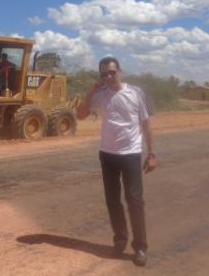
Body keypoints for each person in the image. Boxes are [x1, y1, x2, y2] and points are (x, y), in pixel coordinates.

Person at [77, 56, 156, 267]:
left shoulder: (136, 93)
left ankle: (140, 247)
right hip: (107, 154)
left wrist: (152, 154)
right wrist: (92, 91)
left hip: (131, 154)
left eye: (112, 72)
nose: (109, 77)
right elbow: (80, 114)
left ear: (120, 70)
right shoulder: (100, 95)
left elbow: (147, 125)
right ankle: (120, 239)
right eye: (104, 74)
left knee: (134, 200)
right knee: (113, 200)